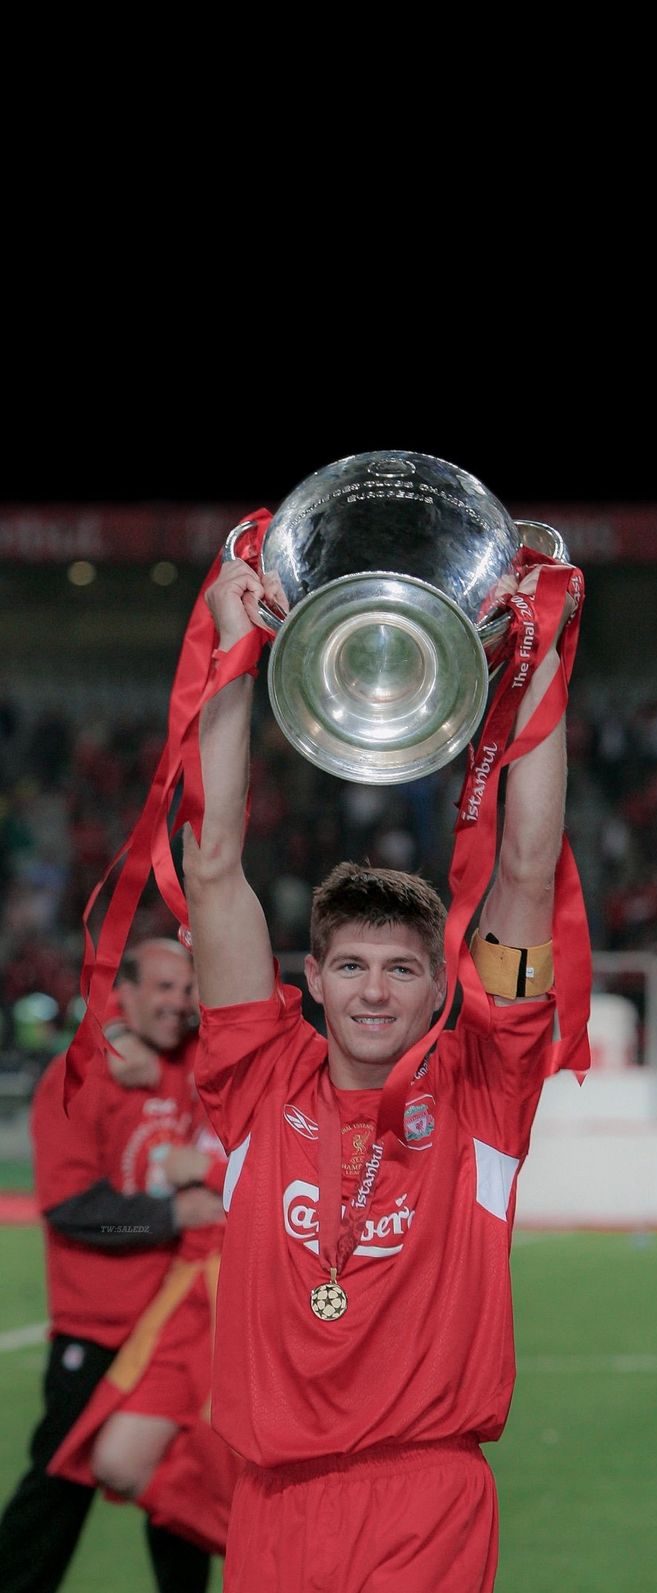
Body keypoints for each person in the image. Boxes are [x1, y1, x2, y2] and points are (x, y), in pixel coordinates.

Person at [180, 552, 584, 1592]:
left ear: (435, 983)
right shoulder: (253, 1076)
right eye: (350, 965)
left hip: (424, 1500)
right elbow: (211, 861)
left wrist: (535, 654)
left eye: (402, 968)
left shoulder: (484, 1090)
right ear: (308, 976)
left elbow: (527, 868)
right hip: (270, 1506)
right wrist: (232, 650)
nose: (372, 991)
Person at [0, 937, 225, 1593]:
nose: (178, 1002)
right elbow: (72, 1207)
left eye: (185, 988)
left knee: (177, 1483)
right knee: (59, 1481)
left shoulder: (186, 1065)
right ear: (121, 993)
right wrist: (162, 1219)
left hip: (175, 1322)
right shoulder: (78, 1077)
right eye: (162, 987)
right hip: (99, 1325)